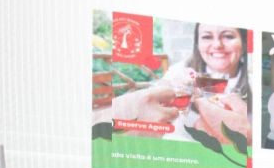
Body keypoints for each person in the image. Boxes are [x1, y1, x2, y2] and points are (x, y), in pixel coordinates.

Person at [100, 24, 251, 147]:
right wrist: (172, 87)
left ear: (244, 44)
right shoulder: (181, 70)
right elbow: (155, 97)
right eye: (207, 37)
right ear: (197, 44)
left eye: (228, 36)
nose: (217, 45)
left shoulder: (255, 79)